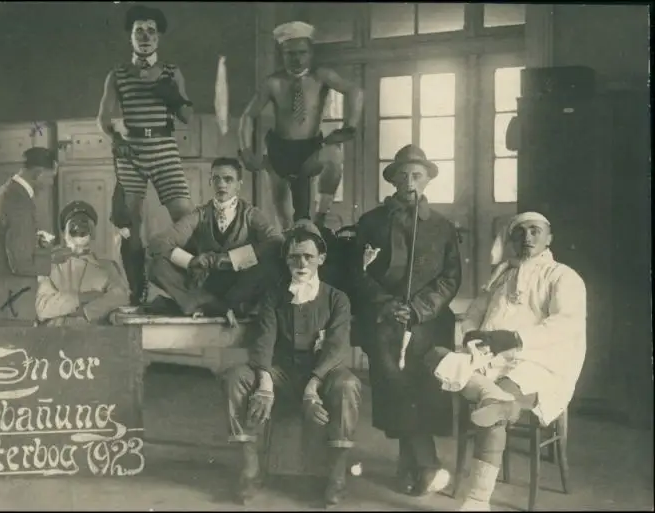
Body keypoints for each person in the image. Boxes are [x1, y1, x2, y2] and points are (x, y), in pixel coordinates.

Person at [432, 212, 587, 512]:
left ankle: (478, 499)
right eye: (520, 232)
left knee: (493, 410)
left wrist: (515, 338)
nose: (527, 237)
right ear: (511, 239)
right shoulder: (502, 275)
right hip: (491, 358)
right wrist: (471, 333)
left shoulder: (563, 277)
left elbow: (565, 325)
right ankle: (493, 396)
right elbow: (475, 313)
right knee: (435, 356)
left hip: (536, 362)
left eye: (535, 231)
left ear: (549, 238)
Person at [221, 220, 361, 507]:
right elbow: (264, 340)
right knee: (236, 377)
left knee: (348, 385)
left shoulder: (337, 299)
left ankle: (336, 477)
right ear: (286, 260)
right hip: (280, 372)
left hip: (322, 374)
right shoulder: (274, 296)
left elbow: (336, 347)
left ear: (321, 259)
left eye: (309, 256)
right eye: (294, 256)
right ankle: (250, 470)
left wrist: (313, 385)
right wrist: (265, 383)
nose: (302, 263)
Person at [353, 144, 462, 496]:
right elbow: (356, 273)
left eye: (417, 175)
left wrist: (417, 309)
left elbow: (451, 277)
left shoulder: (442, 226)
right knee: (395, 387)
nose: (410, 181)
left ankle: (411, 464)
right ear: (393, 180)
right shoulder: (370, 223)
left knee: (422, 390)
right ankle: (425, 464)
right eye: (403, 175)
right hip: (383, 321)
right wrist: (387, 305)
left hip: (428, 323)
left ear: (428, 179)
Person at [97, 4, 196, 305]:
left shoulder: (171, 71)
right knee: (130, 224)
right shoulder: (118, 74)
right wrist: (117, 136)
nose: (145, 36)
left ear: (158, 37)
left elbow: (187, 116)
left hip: (164, 148)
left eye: (151, 31)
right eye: (138, 30)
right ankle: (136, 289)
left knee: (187, 219)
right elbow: (103, 118)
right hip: (132, 151)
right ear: (130, 36)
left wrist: (173, 96)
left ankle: (192, 283)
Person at [238, 21, 363, 230]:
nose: (297, 59)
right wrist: (245, 150)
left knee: (334, 155)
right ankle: (289, 236)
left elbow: (355, 92)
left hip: (310, 148)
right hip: (279, 150)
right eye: (290, 53)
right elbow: (247, 116)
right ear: (282, 54)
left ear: (310, 53)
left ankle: (321, 216)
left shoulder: (321, 76)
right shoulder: (273, 82)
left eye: (302, 52)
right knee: (286, 222)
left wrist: (350, 126)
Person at [147, 157, 283, 325]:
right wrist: (191, 261)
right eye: (216, 179)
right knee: (156, 264)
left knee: (272, 265)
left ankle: (206, 305)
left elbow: (276, 242)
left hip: (240, 285)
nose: (221, 184)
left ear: (239, 184)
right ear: (210, 182)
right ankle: (212, 305)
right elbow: (158, 243)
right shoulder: (200, 214)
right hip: (205, 286)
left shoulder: (250, 214)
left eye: (228, 179)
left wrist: (232, 259)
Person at [0, 147, 58, 326]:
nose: (51, 184)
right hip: (14, 302)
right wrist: (53, 259)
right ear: (38, 174)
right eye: (51, 178)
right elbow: (21, 264)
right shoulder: (19, 202)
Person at [36, 201, 132, 326]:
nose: (79, 228)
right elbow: (42, 307)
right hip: (56, 334)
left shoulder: (107, 268)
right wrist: (84, 297)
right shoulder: (50, 267)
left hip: (95, 334)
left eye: (84, 223)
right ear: (64, 233)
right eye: (74, 224)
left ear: (93, 232)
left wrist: (86, 312)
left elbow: (120, 297)